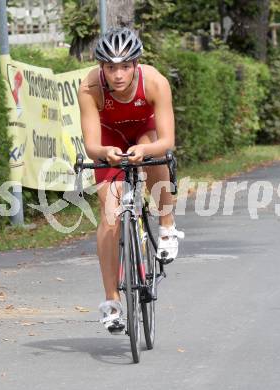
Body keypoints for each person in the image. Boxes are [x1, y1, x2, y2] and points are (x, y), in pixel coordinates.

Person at [78, 27, 184, 334]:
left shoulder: (155, 82)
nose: (118, 74)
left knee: (156, 160)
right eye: (111, 67)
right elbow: (91, 145)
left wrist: (145, 149)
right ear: (102, 68)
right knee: (110, 218)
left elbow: (167, 140)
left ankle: (166, 226)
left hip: (145, 134)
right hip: (109, 140)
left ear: (136, 64)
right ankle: (111, 302)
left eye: (125, 66)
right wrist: (105, 152)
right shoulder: (89, 87)